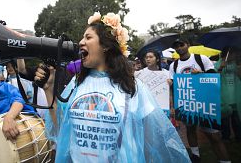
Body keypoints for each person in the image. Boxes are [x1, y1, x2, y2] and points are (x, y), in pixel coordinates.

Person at [35, 12, 190, 162]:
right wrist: (48, 89)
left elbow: (155, 139)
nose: (81, 42)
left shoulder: (132, 87)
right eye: (82, 37)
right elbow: (61, 127)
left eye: (88, 37)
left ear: (106, 46)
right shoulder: (77, 83)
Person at [168, 39, 230, 163]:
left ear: (188, 45)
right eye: (176, 46)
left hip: (204, 101)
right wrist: (171, 89)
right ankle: (196, 156)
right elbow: (173, 85)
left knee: (214, 135)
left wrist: (201, 74)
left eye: (181, 45)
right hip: (186, 103)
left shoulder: (201, 59)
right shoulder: (173, 65)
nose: (179, 48)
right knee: (190, 129)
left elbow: (213, 76)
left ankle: (225, 161)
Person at [215, 46, 241, 141]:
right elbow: (214, 79)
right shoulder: (218, 64)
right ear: (227, 54)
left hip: (236, 96)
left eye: (235, 53)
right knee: (224, 120)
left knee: (237, 120)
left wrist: (238, 67)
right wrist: (220, 68)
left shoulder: (237, 63)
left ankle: (238, 136)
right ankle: (226, 137)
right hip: (223, 97)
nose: (234, 55)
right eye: (232, 53)